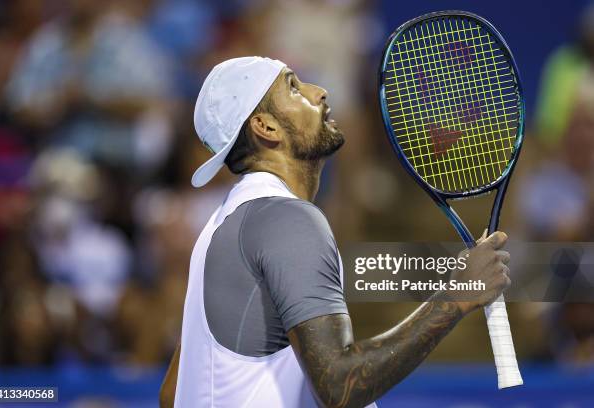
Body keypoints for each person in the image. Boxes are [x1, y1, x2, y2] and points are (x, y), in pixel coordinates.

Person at [160, 57, 512, 408]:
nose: (319, 92)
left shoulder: (221, 226)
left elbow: (174, 394)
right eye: (294, 88)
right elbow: (339, 386)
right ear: (265, 127)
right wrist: (456, 297)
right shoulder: (287, 219)